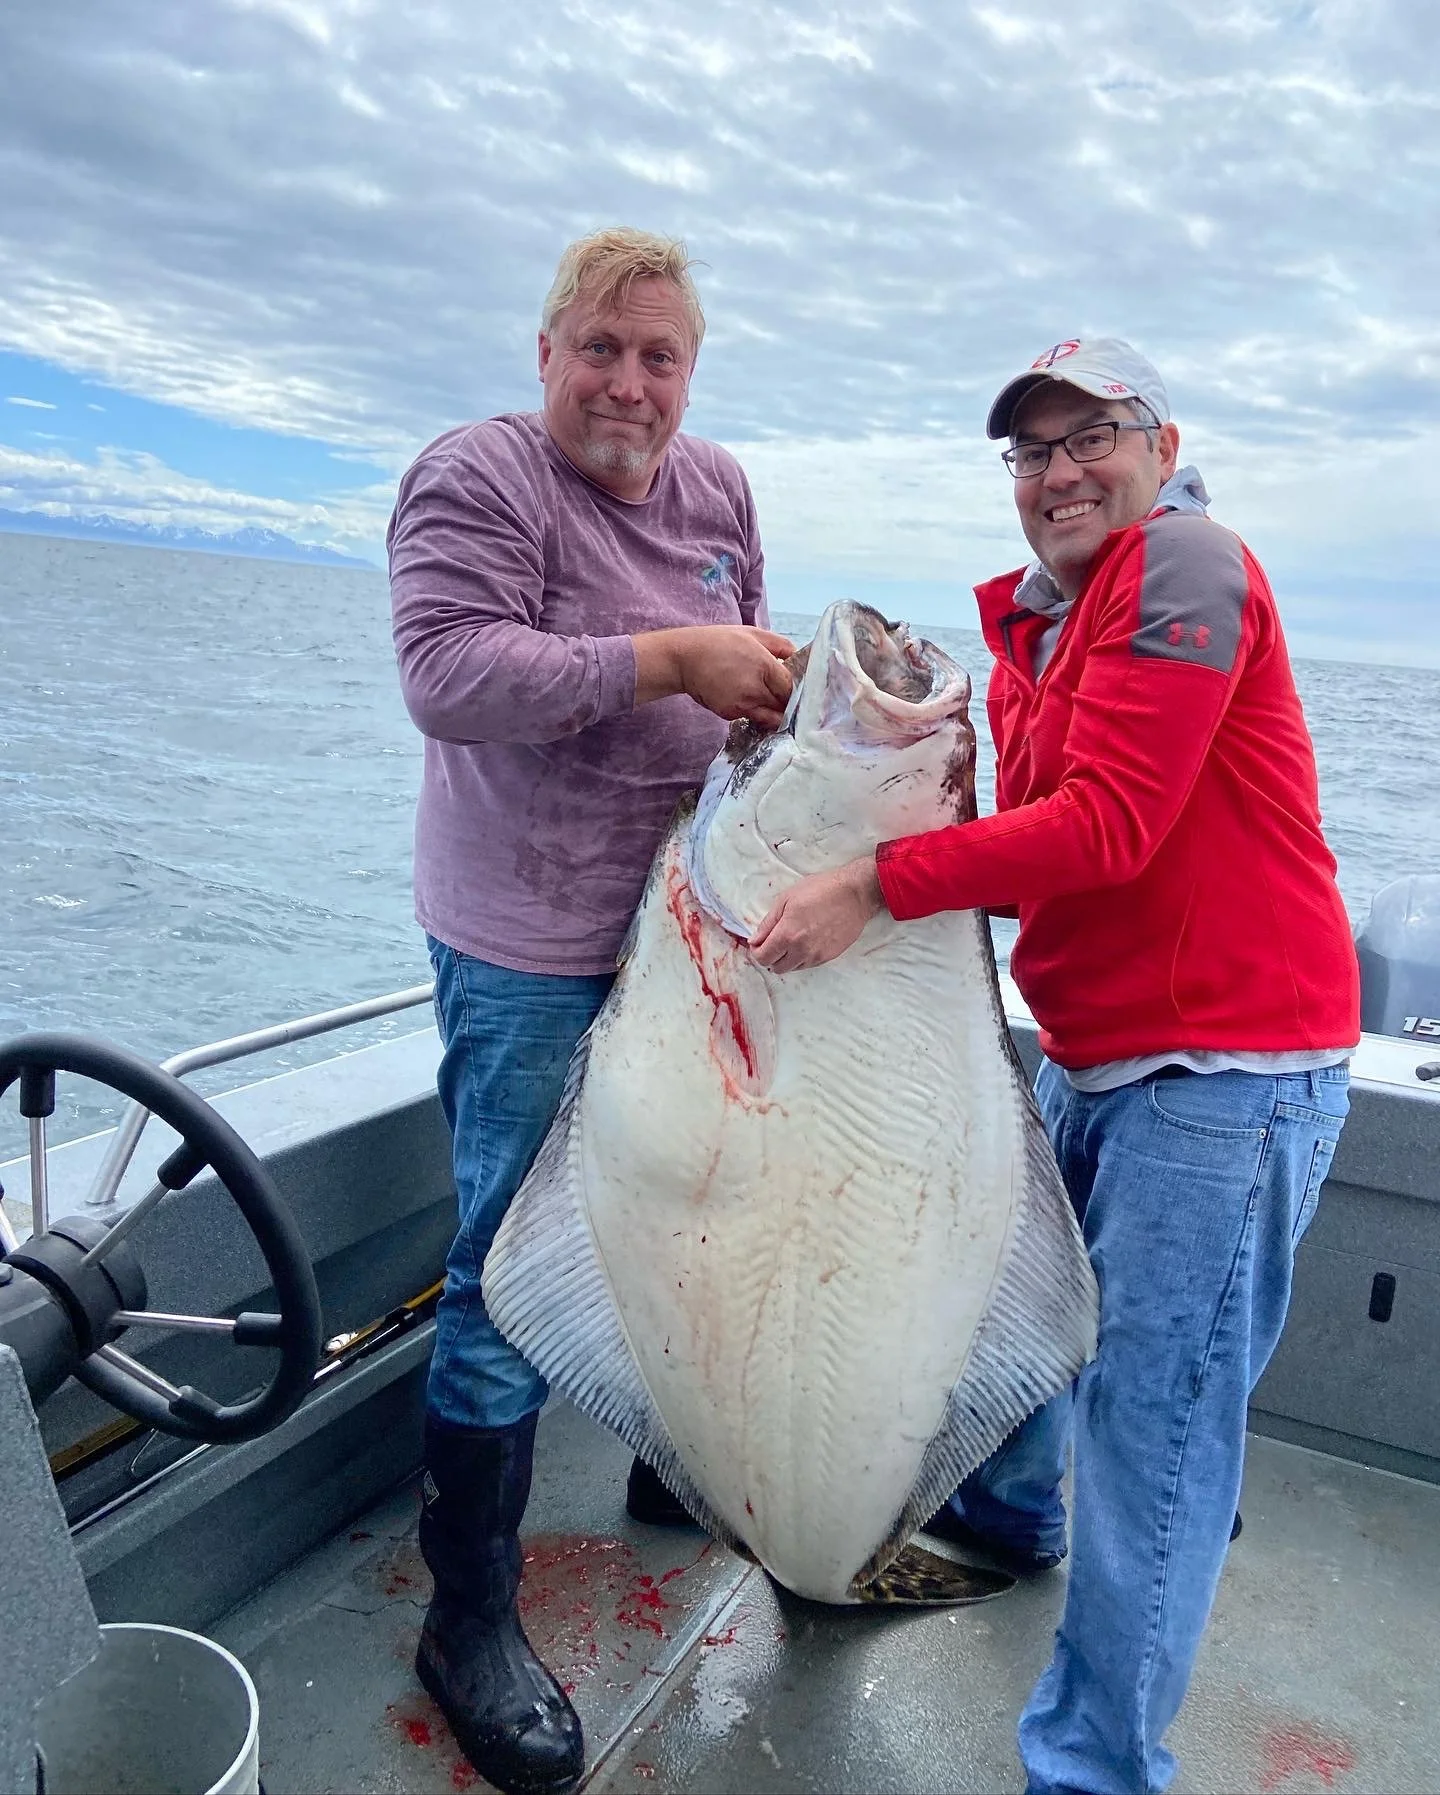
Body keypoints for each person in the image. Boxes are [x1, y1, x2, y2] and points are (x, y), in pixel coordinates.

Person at [748, 338, 1359, 1795]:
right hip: (1092, 1053)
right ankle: (1013, 1518)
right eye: (1032, 451)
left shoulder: (1190, 562)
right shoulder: (1043, 625)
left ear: (1162, 447)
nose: (1060, 472)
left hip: (1225, 1071)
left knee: (1152, 1433)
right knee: (1007, 1318)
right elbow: (1034, 863)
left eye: (1094, 437)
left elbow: (1110, 826)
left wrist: (874, 883)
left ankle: (1094, 1770)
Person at [388, 227, 793, 1795]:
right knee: (513, 1264)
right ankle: (469, 1619)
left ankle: (660, 1462)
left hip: (681, 942)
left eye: (661, 355)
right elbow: (448, 672)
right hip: (527, 947)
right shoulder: (478, 476)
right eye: (603, 349)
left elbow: (743, 700)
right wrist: (671, 656)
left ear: (693, 373)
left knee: (680, 1213)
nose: (630, 383)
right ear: (546, 352)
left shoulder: (720, 489)